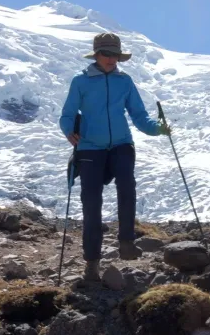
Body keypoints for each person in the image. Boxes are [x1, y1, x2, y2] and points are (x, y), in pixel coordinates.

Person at [59, 32, 170, 281]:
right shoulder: (81, 81)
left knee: (127, 189)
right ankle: (92, 263)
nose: (111, 59)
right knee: (91, 202)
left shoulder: (125, 81)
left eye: (115, 55)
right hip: (89, 147)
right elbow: (67, 114)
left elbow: (139, 115)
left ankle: (127, 243)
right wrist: (69, 131)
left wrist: (157, 129)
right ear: (96, 55)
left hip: (121, 144)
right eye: (106, 54)